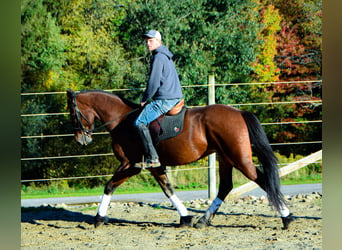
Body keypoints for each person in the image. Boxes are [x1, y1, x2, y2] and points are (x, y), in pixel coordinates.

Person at [134, 30, 183, 168]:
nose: (148, 43)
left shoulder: (158, 57)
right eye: (147, 41)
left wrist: (145, 98)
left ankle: (153, 157)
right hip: (173, 96)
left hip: (165, 99)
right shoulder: (166, 56)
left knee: (139, 122)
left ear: (158, 41)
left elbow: (154, 82)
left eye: (151, 40)